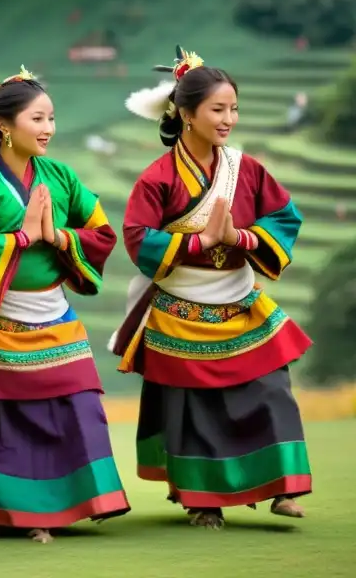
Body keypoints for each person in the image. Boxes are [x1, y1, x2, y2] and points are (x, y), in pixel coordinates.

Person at [0, 67, 130, 544]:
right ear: (4, 125)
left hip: (53, 309)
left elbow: (100, 233)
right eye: (38, 118)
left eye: (51, 118)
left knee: (77, 404)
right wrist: (20, 238)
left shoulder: (63, 177)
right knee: (1, 418)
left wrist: (56, 235)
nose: (48, 129)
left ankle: (79, 499)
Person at [110, 46, 314, 529]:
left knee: (272, 388)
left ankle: (282, 487)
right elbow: (138, 238)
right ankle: (203, 500)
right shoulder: (157, 179)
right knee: (195, 409)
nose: (229, 119)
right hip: (182, 307)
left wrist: (239, 237)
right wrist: (200, 242)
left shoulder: (248, 169)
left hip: (239, 298)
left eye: (234, 109)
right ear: (186, 114)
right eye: (218, 110)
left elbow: (285, 217)